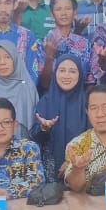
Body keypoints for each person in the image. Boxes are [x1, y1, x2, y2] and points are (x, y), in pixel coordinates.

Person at [32, 54, 90, 182]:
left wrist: (71, 162)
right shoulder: (45, 102)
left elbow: (94, 138)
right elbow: (35, 139)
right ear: (55, 73)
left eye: (72, 71)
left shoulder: (87, 103)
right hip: (50, 175)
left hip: (81, 171)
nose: (66, 76)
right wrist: (44, 128)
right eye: (62, 70)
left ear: (80, 75)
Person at [40, 0, 92, 91]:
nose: (63, 13)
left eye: (68, 8)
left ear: (75, 12)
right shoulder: (42, 43)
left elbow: (89, 80)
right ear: (52, 14)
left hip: (79, 97)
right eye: (58, 9)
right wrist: (49, 57)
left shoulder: (85, 44)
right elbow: (44, 84)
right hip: (51, 97)